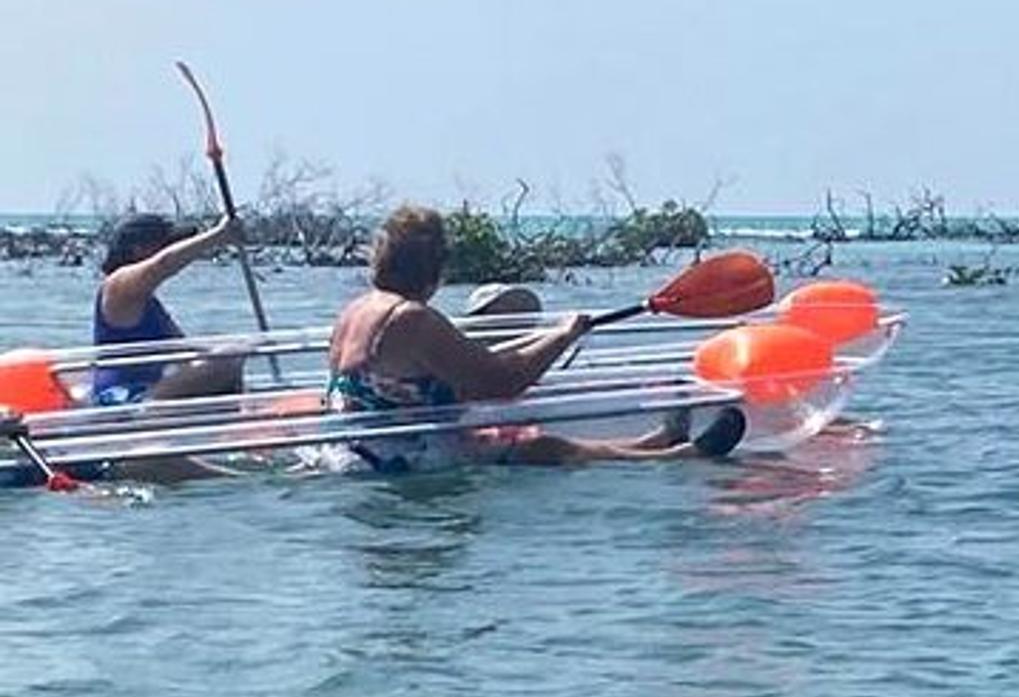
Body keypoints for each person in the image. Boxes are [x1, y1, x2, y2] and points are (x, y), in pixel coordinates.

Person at [326, 205, 740, 472]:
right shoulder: (412, 318)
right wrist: (562, 336)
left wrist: (545, 337)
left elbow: (457, 366)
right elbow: (505, 383)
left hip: (358, 446)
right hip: (395, 456)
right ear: (432, 269)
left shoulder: (356, 310)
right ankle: (679, 456)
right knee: (540, 447)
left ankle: (650, 443)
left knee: (527, 442)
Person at [93, 213, 246, 405]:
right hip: (123, 396)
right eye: (166, 244)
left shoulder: (148, 302)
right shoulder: (118, 284)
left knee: (229, 355)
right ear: (138, 250)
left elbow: (184, 350)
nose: (172, 247)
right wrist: (218, 236)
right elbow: (163, 264)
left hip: (148, 388)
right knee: (227, 359)